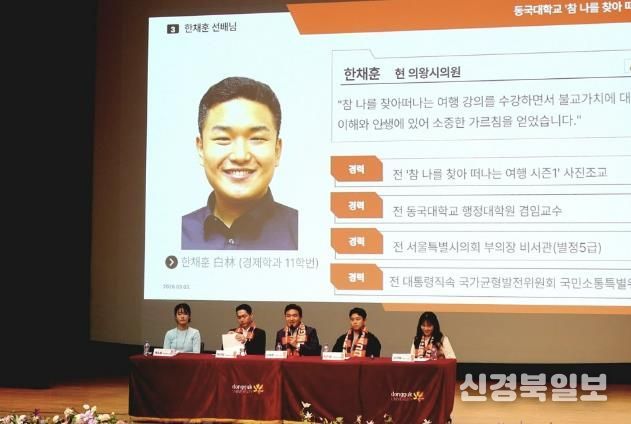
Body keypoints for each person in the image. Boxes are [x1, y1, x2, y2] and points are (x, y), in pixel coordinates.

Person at [181, 76, 298, 250]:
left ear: (277, 150)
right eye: (223, 139)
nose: (240, 156)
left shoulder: (304, 231)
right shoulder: (174, 233)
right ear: (201, 148)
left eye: (257, 138)